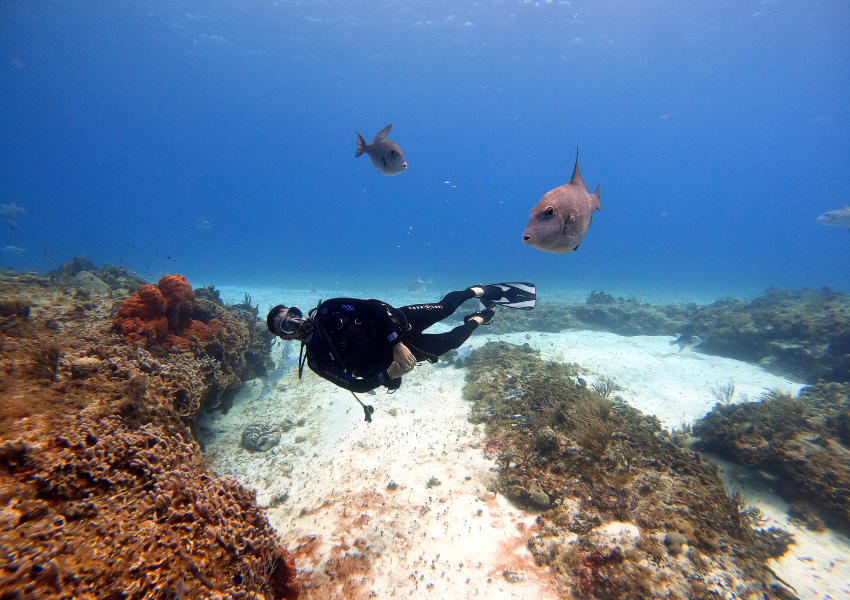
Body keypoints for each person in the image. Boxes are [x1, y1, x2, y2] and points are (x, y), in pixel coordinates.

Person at [266, 283, 536, 397]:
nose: (295, 322)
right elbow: (356, 386)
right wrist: (389, 375)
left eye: (293, 314)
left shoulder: (330, 308)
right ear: (284, 337)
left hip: (399, 323)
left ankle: (478, 291)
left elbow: (372, 306)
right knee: (452, 341)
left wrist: (396, 342)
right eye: (286, 326)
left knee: (445, 308)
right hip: (396, 358)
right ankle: (480, 318)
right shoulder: (316, 360)